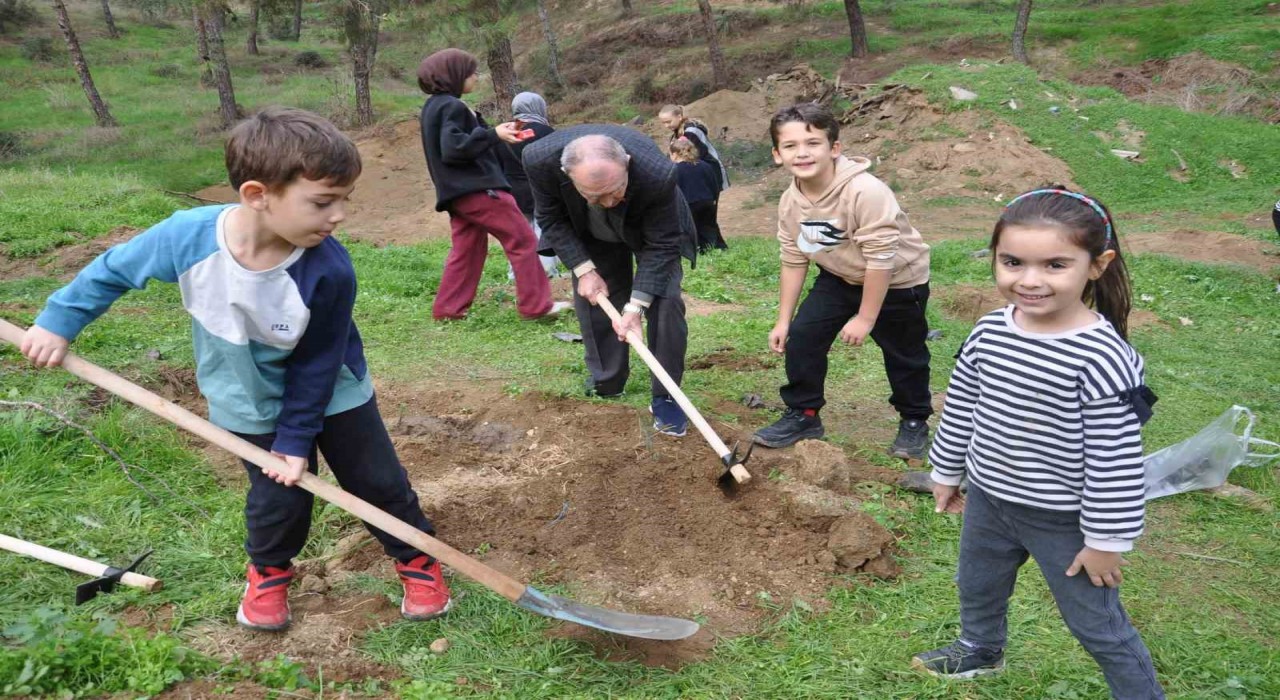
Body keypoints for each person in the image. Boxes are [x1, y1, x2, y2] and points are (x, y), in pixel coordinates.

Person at [19, 107, 454, 631]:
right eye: (322, 202)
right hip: (242, 393)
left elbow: (317, 364)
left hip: (332, 390)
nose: (339, 215)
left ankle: (416, 560)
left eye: (345, 200)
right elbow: (113, 271)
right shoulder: (187, 237)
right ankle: (269, 573)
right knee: (278, 497)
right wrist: (57, 321)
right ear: (256, 194)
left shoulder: (328, 269)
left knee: (376, 479)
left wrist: (295, 441)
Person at [915, 187, 1165, 699]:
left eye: (1054, 264)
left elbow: (1115, 460)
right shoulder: (989, 331)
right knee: (978, 584)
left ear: (1097, 265)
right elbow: (962, 405)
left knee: (1096, 622)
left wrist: (1105, 541)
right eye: (1012, 262)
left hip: (1063, 518)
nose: (1029, 281)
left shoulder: (1101, 357)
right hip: (989, 498)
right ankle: (981, 648)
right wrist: (946, 471)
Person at [753, 103, 933, 459]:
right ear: (777, 155)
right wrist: (783, 319)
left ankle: (914, 420)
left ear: (834, 148)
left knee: (904, 353)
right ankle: (804, 414)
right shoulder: (790, 201)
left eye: (812, 143)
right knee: (803, 336)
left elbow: (880, 259)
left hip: (897, 281)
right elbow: (793, 258)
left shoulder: (866, 191)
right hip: (838, 277)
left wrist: (866, 318)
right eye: (790, 146)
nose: (802, 153)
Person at [522, 125, 698, 437]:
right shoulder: (539, 160)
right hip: (589, 229)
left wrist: (636, 307)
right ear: (567, 175)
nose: (608, 203)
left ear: (627, 163)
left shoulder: (659, 174)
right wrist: (583, 268)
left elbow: (661, 246)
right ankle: (607, 379)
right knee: (595, 293)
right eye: (595, 195)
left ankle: (667, 396)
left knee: (665, 301)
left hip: (651, 229)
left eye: (615, 191)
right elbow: (551, 218)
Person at [417, 48, 569, 320]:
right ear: (452, 75)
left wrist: (497, 134)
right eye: (470, 72)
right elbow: (454, 148)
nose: (476, 76)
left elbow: (458, 143)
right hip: (478, 189)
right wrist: (492, 134)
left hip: (457, 193)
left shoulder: (433, 107)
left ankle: (448, 310)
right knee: (522, 239)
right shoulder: (451, 105)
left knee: (468, 249)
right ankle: (537, 306)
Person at [494, 91, 562, 277]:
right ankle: (546, 272)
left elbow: (496, 164)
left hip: (511, 191)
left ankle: (516, 274)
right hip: (539, 189)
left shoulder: (504, 131)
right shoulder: (546, 132)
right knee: (543, 228)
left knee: (519, 233)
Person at [658, 104, 728, 251]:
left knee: (705, 216)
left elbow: (690, 154)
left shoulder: (691, 132)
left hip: (707, 174)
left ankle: (709, 245)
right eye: (663, 123)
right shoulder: (679, 133)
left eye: (668, 121)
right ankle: (708, 245)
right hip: (698, 173)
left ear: (679, 116)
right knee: (704, 215)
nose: (666, 126)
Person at [669, 138, 722, 254]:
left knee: (689, 229)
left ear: (674, 154)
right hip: (707, 201)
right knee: (708, 226)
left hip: (688, 204)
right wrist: (713, 200)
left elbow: (674, 190)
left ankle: (693, 251)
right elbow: (714, 184)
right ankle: (714, 247)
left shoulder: (674, 170)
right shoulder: (705, 165)